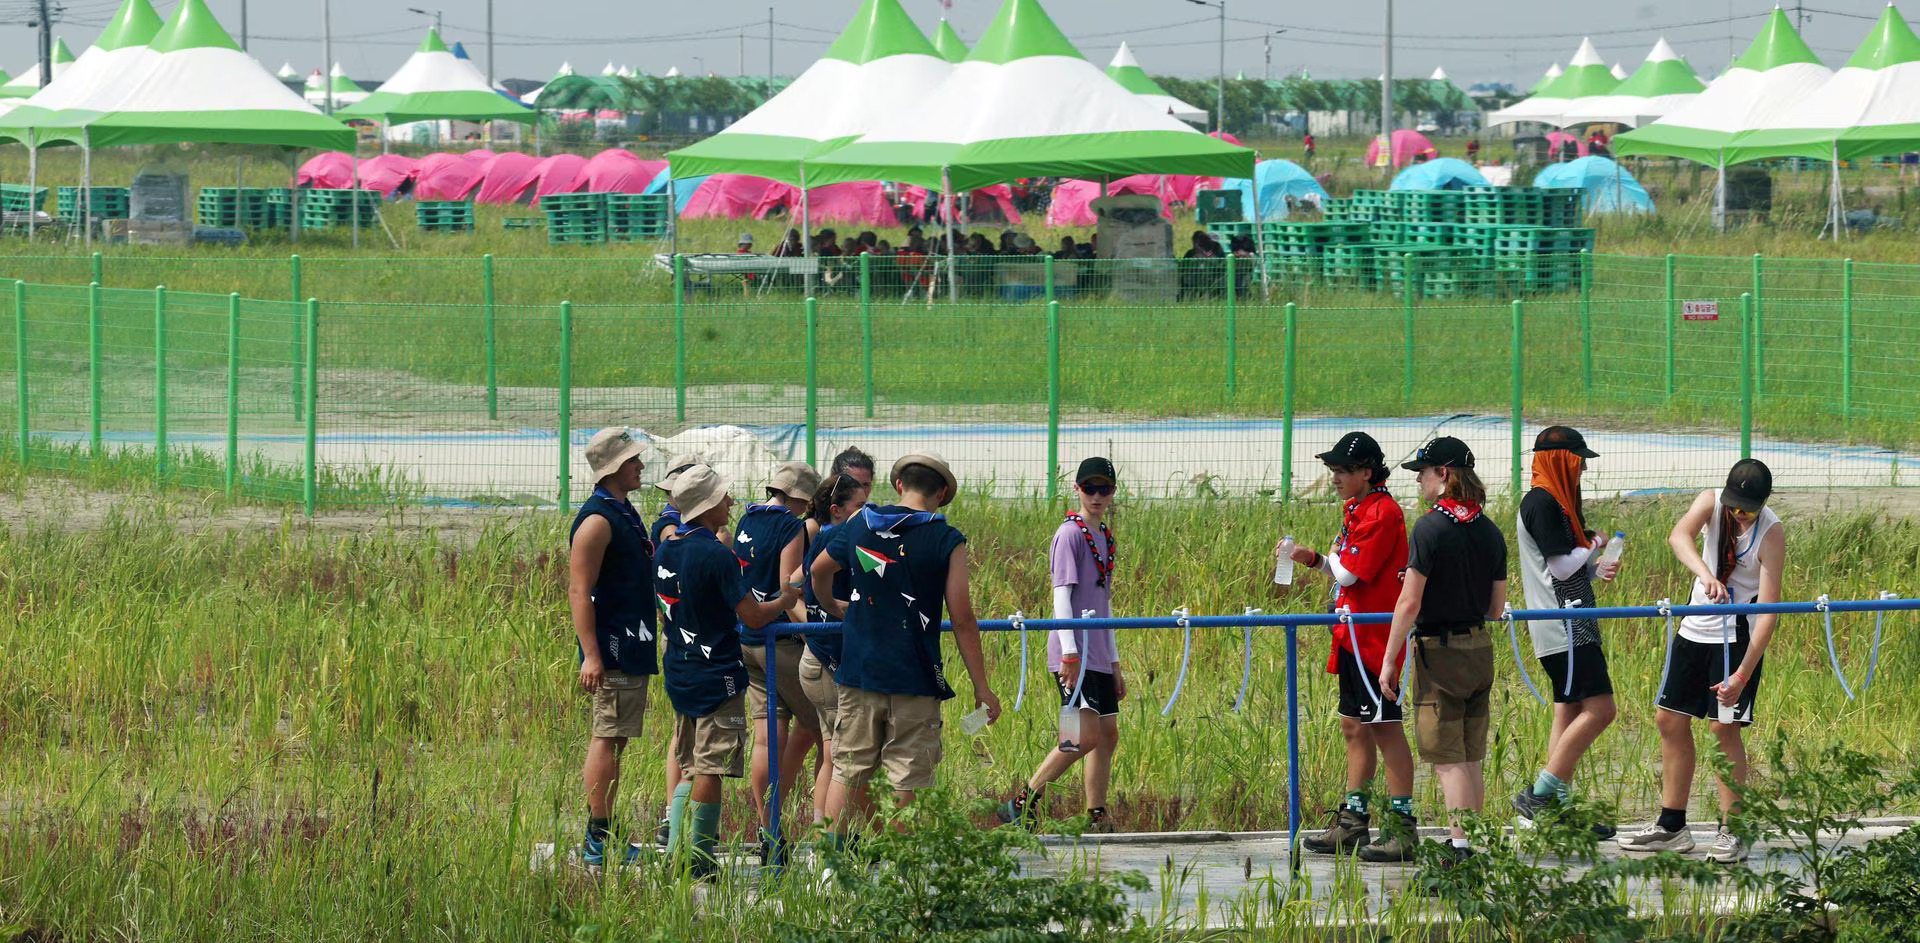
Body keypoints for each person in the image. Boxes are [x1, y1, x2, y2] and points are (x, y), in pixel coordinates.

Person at [813, 452, 1001, 836]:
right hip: (915, 677)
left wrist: (832, 605)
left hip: (859, 673)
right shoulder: (946, 539)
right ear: (942, 491)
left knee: (848, 769)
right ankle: (899, 873)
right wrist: (981, 686)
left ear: (899, 484)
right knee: (906, 776)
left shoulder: (860, 522)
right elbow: (962, 619)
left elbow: (817, 570)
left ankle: (830, 867)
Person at [1620, 460, 1782, 864]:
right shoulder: (1711, 502)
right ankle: (1672, 825)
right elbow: (1679, 536)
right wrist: (1705, 574)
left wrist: (1743, 673)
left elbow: (1769, 611)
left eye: (1748, 508)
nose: (1739, 514)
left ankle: (1732, 830)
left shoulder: (1771, 533)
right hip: (1695, 629)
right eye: (1734, 505)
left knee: (1723, 728)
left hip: (1735, 639)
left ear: (1762, 504)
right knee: (1669, 719)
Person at [656, 464, 801, 879]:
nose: (731, 503)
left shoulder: (667, 549)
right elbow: (753, 616)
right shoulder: (716, 555)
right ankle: (697, 860)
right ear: (706, 506)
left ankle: (677, 851)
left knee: (689, 763)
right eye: (724, 497)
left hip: (680, 669)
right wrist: (784, 600)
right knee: (712, 768)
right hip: (717, 673)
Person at [1281, 433, 1415, 859]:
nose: (1335, 478)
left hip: (1376, 642)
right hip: (1353, 637)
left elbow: (1351, 576)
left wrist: (1330, 560)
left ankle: (1402, 826)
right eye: (1333, 471)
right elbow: (1342, 569)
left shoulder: (1381, 512)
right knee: (1353, 726)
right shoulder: (1360, 507)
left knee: (1385, 727)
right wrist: (1315, 559)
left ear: (1366, 472)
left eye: (1342, 471)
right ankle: (1354, 821)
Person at [1379, 437, 1507, 874]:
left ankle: (1458, 851)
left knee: (1446, 757)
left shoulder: (1430, 528)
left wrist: (1390, 658)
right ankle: (1475, 844)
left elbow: (1408, 603)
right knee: (1471, 755)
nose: (1418, 477)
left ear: (1445, 475)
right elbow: (1496, 608)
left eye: (1425, 470)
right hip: (1480, 647)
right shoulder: (1490, 531)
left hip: (1440, 652)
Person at [996, 457, 1126, 833]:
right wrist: (1069, 651)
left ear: (1113, 493)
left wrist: (1114, 661)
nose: (1097, 496)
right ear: (1077, 490)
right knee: (1079, 737)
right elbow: (1061, 597)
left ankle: (1095, 814)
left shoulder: (1105, 536)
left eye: (1105, 489)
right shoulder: (1070, 534)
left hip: (1099, 653)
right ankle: (1023, 801)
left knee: (1106, 735)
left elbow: (1105, 602)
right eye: (1090, 488)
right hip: (1074, 654)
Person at [1512, 427, 1622, 834]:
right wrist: (1592, 547)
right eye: (1578, 461)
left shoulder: (1558, 500)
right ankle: (1541, 793)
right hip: (1563, 624)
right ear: (1561, 459)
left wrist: (1594, 567)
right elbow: (1559, 567)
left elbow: (1566, 565)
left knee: (1569, 708)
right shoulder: (1542, 501)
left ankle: (1554, 807)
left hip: (1569, 619)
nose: (1582, 469)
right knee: (1602, 709)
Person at [568, 428, 657, 866]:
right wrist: (592, 655)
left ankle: (604, 831)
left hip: (632, 639)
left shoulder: (623, 511)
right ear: (613, 469)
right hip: (614, 645)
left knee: (617, 737)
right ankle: (599, 837)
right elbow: (579, 591)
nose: (640, 465)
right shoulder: (597, 521)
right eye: (633, 460)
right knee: (607, 736)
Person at [734, 460, 823, 869]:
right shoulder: (791, 527)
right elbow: (789, 588)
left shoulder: (746, 519)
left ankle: (770, 833)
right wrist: (818, 631)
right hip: (781, 642)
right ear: (801, 500)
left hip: (747, 638)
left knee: (767, 739)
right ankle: (831, 834)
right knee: (829, 734)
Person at [798, 472, 872, 828]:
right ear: (836, 509)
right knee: (836, 756)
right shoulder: (839, 540)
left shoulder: (823, 536)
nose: (866, 513)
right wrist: (837, 606)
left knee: (833, 753)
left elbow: (795, 581)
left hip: (815, 656)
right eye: (859, 507)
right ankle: (827, 838)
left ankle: (825, 834)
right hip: (826, 661)